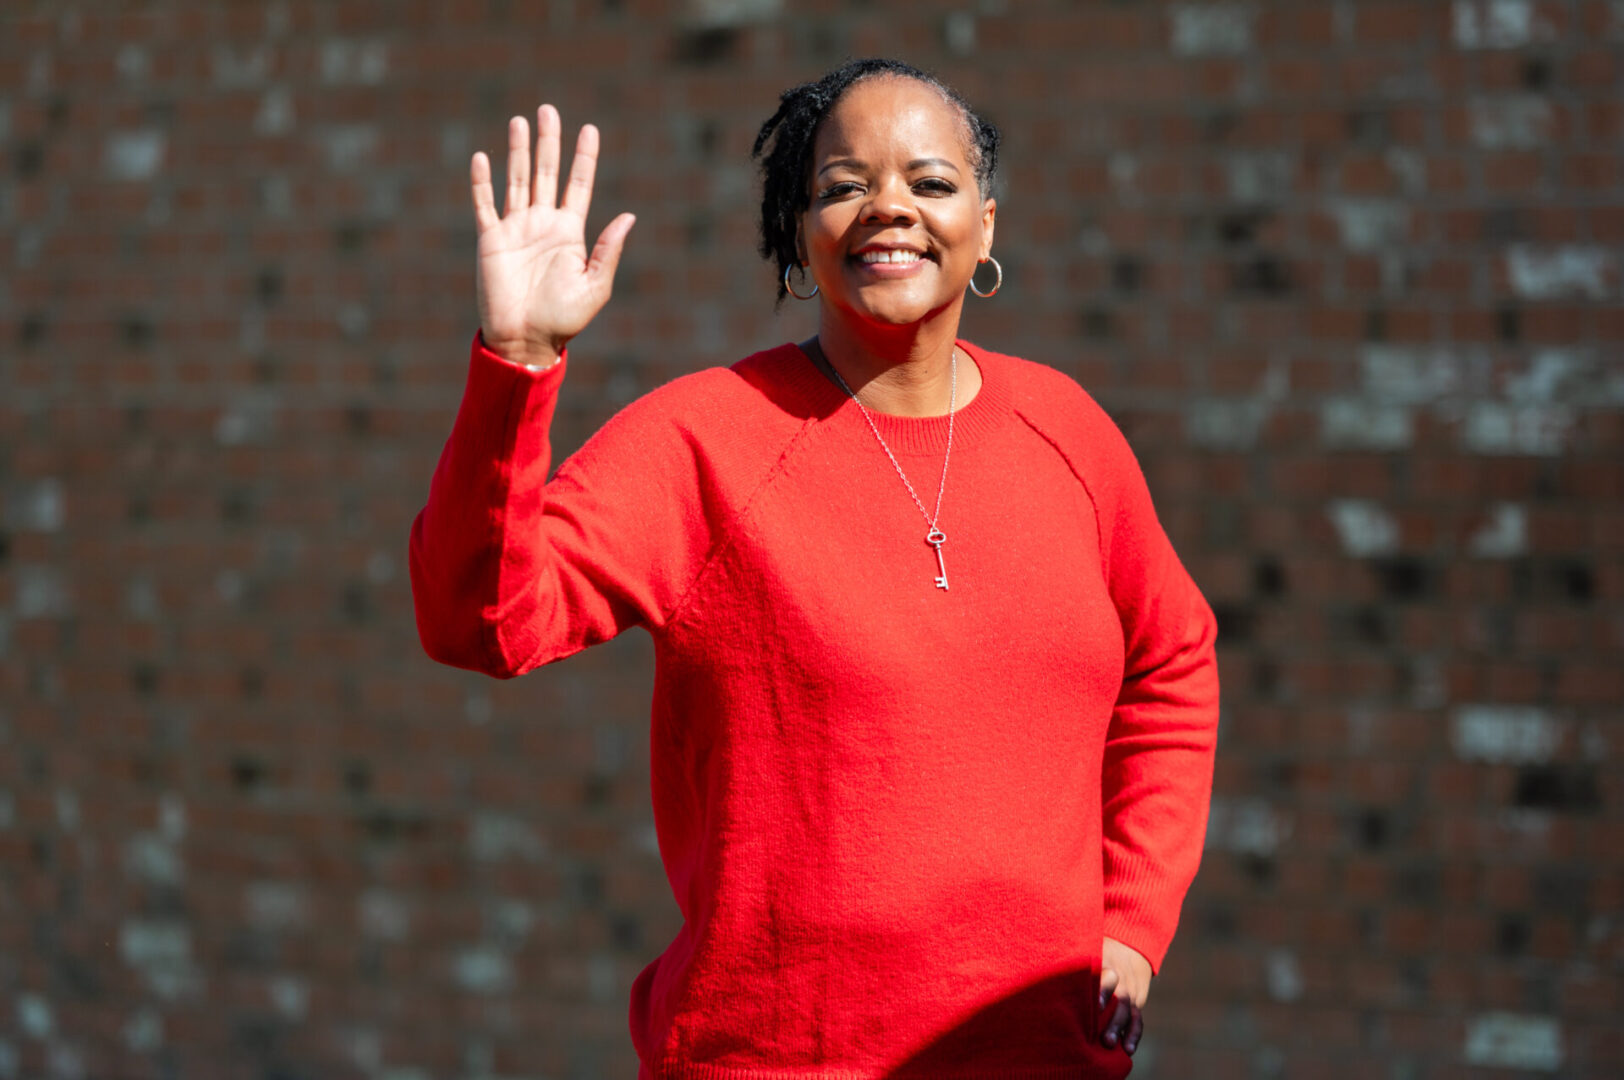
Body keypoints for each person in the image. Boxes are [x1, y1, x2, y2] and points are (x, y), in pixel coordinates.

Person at [410, 58, 1219, 1079]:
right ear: (797, 236)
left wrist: (1132, 923)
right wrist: (515, 361)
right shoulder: (704, 440)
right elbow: (480, 622)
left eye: (929, 183)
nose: (890, 208)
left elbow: (1173, 661)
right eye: (842, 187)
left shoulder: (1067, 433)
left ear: (987, 227)